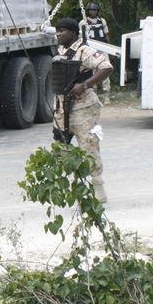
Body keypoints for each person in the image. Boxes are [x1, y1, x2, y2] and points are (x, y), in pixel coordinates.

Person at [53, 18, 113, 203]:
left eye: (62, 31)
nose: (58, 34)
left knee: (88, 146)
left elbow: (106, 67)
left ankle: (97, 188)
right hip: (62, 107)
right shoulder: (61, 51)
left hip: (83, 106)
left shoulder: (84, 51)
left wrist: (85, 85)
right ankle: (76, 183)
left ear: (73, 33)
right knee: (60, 147)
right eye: (57, 31)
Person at [79, 2, 112, 100]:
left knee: (106, 69)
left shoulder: (102, 21)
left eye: (95, 10)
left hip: (103, 48)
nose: (93, 12)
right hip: (90, 50)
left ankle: (107, 94)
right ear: (87, 11)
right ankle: (94, 93)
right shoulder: (83, 23)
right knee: (92, 71)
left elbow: (107, 35)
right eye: (91, 10)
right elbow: (81, 38)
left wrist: (109, 49)